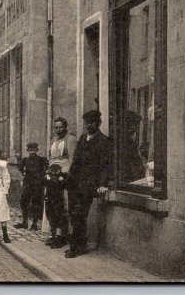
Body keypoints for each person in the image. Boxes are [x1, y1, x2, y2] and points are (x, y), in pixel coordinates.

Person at [65, 109, 111, 258]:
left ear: (98, 123)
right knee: (74, 214)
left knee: (80, 215)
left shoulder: (103, 141)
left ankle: (76, 248)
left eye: (92, 122)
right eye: (87, 123)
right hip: (75, 183)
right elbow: (76, 160)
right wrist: (69, 178)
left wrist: (102, 184)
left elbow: (105, 165)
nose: (89, 125)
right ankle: (80, 244)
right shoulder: (83, 138)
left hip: (89, 185)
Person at [46, 116, 78, 246]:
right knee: (51, 205)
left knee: (62, 205)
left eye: (61, 127)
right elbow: (50, 157)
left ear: (65, 127)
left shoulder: (71, 139)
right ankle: (54, 234)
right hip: (52, 174)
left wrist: (63, 174)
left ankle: (63, 236)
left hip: (63, 175)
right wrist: (50, 172)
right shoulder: (54, 139)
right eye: (56, 128)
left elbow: (72, 159)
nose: (58, 130)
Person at [16, 142, 48, 231]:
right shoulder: (25, 160)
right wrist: (24, 174)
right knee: (23, 202)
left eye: (34, 150)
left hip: (38, 185)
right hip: (28, 183)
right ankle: (25, 222)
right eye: (30, 150)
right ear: (28, 151)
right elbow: (20, 168)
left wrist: (43, 176)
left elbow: (47, 167)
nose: (32, 152)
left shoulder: (41, 160)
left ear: (37, 150)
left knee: (36, 204)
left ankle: (34, 223)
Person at [43, 164, 69, 247]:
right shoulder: (47, 177)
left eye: (56, 172)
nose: (54, 174)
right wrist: (47, 179)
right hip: (49, 201)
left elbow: (64, 185)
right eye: (52, 172)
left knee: (58, 219)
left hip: (58, 201)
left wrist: (61, 179)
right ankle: (53, 236)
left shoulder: (61, 178)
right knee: (51, 218)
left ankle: (59, 238)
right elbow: (42, 183)